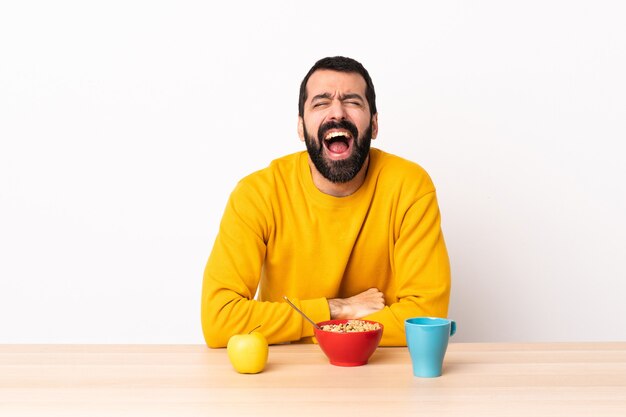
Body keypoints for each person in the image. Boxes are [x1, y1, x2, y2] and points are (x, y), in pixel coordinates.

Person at [201, 56, 451, 348]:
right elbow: (218, 320)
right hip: (284, 376)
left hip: (382, 374)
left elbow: (426, 319)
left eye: (353, 102)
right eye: (321, 102)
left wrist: (302, 322)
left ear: (374, 123)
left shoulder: (409, 187)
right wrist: (336, 308)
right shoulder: (257, 194)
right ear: (300, 126)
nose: (337, 113)